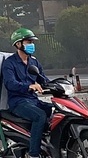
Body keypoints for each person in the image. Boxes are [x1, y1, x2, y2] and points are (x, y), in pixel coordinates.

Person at [1, 28, 52, 158]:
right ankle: (34, 154)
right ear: (18, 44)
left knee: (54, 111)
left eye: (32, 42)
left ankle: (50, 145)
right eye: (28, 42)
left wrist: (58, 85)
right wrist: (29, 86)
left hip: (33, 100)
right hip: (18, 102)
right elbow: (10, 84)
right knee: (40, 116)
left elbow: (44, 79)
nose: (31, 44)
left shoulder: (34, 62)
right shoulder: (10, 63)